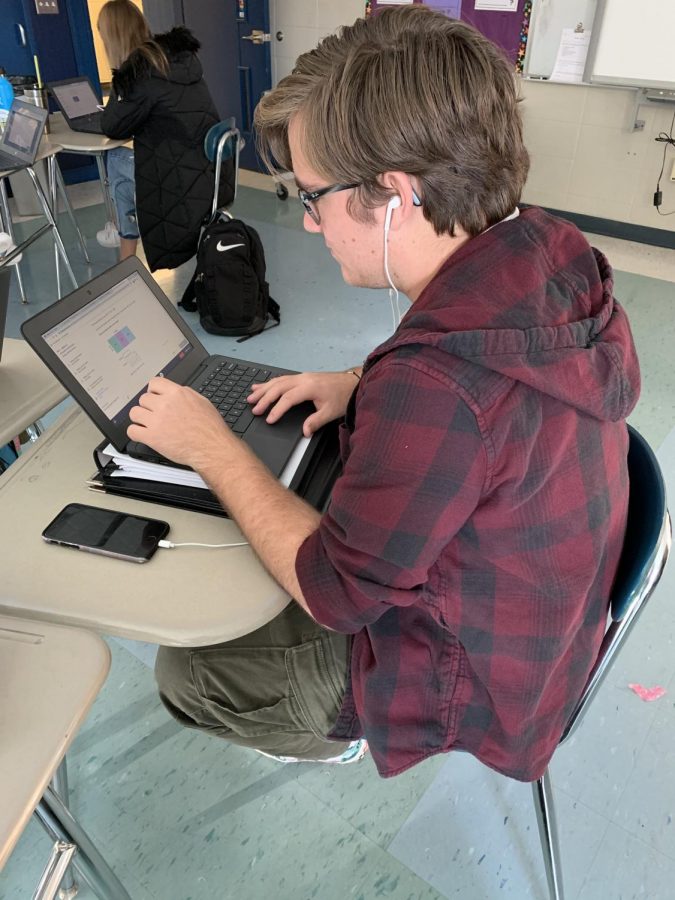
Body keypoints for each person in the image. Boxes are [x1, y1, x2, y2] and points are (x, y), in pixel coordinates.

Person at [127, 6, 641, 779]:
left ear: (396, 193)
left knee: (188, 673)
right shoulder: (551, 243)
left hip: (472, 682)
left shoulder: (432, 385)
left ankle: (349, 731)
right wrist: (357, 381)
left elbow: (336, 596)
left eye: (313, 197)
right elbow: (491, 373)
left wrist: (211, 445)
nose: (306, 225)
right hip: (550, 633)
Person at [96, 0, 234, 268]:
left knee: (114, 157)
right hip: (211, 174)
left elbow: (112, 126)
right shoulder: (175, 59)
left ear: (112, 37)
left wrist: (120, 78)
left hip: (181, 183)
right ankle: (124, 233)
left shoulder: (139, 72)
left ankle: (123, 235)